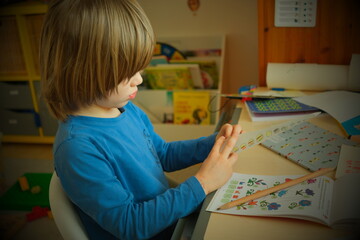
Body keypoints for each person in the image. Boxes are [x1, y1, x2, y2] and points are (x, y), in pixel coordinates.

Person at [40, 0, 242, 239]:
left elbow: (163, 154)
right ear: (82, 71)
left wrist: (211, 144)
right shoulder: (77, 148)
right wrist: (203, 183)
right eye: (127, 72)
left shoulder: (126, 109)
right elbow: (130, 224)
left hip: (173, 223)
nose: (139, 80)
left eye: (139, 68)